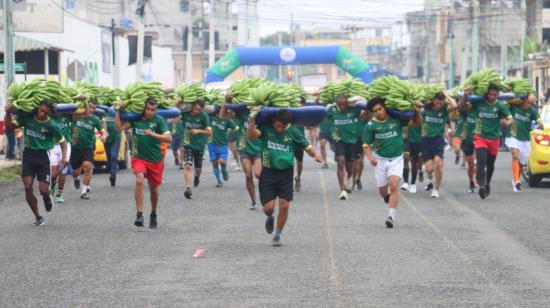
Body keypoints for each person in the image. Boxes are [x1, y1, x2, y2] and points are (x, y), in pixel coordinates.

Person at [247, 109, 322, 245]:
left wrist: (316, 155)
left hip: (286, 173)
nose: (280, 129)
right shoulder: (266, 128)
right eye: (278, 125)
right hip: (268, 173)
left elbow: (307, 147)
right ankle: (270, 216)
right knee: (268, 208)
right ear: (274, 120)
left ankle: (278, 233)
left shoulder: (294, 132)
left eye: (283, 126)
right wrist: (251, 122)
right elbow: (252, 136)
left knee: (284, 204)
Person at [4, 100, 67, 226]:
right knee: (28, 187)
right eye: (41, 110)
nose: (42, 114)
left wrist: (64, 157)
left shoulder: (52, 125)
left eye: (46, 112)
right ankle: (38, 216)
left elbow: (63, 141)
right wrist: (8, 112)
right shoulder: (27, 118)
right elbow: (10, 127)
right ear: (38, 108)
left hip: (43, 157)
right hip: (28, 155)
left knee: (43, 189)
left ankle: (47, 196)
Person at [363, 98, 422, 228]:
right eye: (375, 111)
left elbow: (417, 123)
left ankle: (391, 216)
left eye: (380, 108)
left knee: (394, 184)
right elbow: (366, 145)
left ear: (385, 108)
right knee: (383, 192)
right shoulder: (370, 126)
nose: (378, 112)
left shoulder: (396, 119)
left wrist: (417, 112)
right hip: (380, 161)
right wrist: (370, 158)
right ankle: (386, 196)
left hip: (396, 159)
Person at [115, 98, 172, 228]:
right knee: (139, 180)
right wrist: (118, 111)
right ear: (143, 108)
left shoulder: (159, 120)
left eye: (152, 110)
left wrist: (153, 134)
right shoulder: (136, 119)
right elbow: (118, 128)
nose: (149, 112)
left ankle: (153, 213)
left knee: (153, 189)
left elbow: (169, 138)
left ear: (156, 110)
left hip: (155, 159)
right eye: (147, 109)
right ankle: (139, 215)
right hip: (138, 157)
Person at [461, 84, 513, 199]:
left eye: (494, 95)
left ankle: (488, 182)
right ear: (486, 94)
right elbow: (463, 107)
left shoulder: (500, 106)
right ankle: (481, 185)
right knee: (481, 160)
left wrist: (507, 122)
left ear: (497, 95)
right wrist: (465, 95)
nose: (492, 97)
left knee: (490, 164)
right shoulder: (478, 103)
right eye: (490, 94)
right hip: (480, 136)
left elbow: (509, 118)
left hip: (494, 138)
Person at [220, 94, 262, 210]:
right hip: (244, 148)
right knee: (248, 175)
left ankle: (268, 194)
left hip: (259, 149)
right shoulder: (242, 112)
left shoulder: (263, 113)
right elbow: (222, 116)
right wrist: (226, 101)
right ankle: (254, 201)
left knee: (258, 174)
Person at [421, 92, 458, 198]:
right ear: (433, 101)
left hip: (438, 139)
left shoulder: (444, 109)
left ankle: (436, 189)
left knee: (438, 164)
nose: (439, 105)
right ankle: (429, 175)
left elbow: (455, 105)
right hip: (426, 139)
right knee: (429, 168)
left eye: (441, 103)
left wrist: (446, 95)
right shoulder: (426, 109)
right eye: (437, 103)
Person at [505, 94, 544, 191]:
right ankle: (517, 180)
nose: (530, 105)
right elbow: (505, 104)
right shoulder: (514, 107)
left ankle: (515, 180)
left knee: (522, 163)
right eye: (528, 102)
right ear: (523, 100)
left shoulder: (532, 111)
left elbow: (539, 121)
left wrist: (538, 125)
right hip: (513, 134)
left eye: (532, 103)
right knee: (515, 154)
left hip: (525, 138)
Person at [326, 95, 362, 200]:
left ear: (347, 103)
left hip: (352, 141)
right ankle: (342, 190)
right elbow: (323, 114)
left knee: (350, 167)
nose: (342, 107)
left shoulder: (354, 110)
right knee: (340, 162)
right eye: (339, 104)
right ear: (337, 104)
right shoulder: (332, 111)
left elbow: (365, 106)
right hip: (339, 140)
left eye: (344, 104)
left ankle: (350, 178)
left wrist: (355, 100)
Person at [71, 100, 107, 200]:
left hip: (88, 147)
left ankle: (84, 191)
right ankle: (76, 178)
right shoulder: (75, 116)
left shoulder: (95, 119)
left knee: (87, 166)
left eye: (94, 108)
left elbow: (102, 131)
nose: (91, 110)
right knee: (75, 171)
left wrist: (103, 136)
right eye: (89, 107)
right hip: (75, 147)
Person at [180, 101, 212, 199]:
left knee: (198, 169)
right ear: (192, 106)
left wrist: (199, 130)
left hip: (200, 145)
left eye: (200, 110)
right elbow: (175, 119)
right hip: (187, 144)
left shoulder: (203, 116)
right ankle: (188, 188)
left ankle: (197, 177)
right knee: (188, 166)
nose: (197, 111)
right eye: (196, 109)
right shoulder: (185, 114)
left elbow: (209, 132)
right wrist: (178, 104)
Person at [208, 111, 237, 187]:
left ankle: (224, 170)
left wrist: (228, 131)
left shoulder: (227, 119)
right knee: (214, 163)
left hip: (222, 144)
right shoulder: (212, 117)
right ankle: (219, 181)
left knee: (222, 161)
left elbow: (236, 128)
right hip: (212, 144)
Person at [49, 114, 73, 203]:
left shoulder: (67, 115)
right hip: (53, 146)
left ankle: (59, 194)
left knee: (63, 170)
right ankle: (52, 185)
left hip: (66, 145)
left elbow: (80, 113)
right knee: (54, 172)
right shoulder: (49, 116)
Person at [456, 107, 478, 193]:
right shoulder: (463, 112)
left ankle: (478, 181)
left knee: (478, 163)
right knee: (471, 165)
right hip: (467, 140)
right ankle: (471, 181)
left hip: (479, 139)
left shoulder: (480, 108)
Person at [401, 122, 422, 193]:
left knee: (414, 163)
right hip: (406, 140)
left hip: (417, 141)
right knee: (405, 158)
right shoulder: (405, 114)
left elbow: (425, 130)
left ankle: (413, 184)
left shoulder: (420, 116)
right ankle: (406, 182)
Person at [104, 112, 121, 187]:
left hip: (116, 136)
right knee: (109, 155)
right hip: (107, 137)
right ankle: (110, 169)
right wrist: (104, 131)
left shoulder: (120, 112)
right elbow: (102, 122)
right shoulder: (104, 111)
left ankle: (113, 175)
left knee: (113, 155)